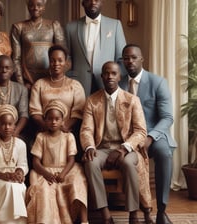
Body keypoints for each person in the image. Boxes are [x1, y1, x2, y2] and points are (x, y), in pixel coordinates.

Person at [80, 61, 148, 224]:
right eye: (106, 73)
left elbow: (141, 131)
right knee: (90, 162)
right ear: (102, 76)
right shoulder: (92, 100)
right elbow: (86, 130)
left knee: (129, 164)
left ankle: (133, 214)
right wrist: (89, 146)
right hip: (101, 148)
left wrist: (124, 149)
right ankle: (105, 214)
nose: (110, 76)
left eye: (113, 73)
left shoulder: (132, 100)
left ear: (119, 77)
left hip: (127, 149)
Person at [120, 44, 177, 224]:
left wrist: (150, 137)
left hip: (153, 135)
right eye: (126, 58)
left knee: (164, 153)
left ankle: (162, 209)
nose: (130, 61)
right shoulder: (117, 82)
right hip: (126, 138)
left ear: (142, 59)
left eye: (134, 57)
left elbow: (167, 117)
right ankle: (137, 211)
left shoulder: (157, 82)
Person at [26, 99, 88, 224]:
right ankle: (47, 220)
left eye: (57, 119)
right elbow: (36, 162)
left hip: (66, 169)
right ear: (45, 120)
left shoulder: (68, 137)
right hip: (45, 170)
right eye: (50, 119)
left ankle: (84, 220)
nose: (53, 122)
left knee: (78, 181)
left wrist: (63, 174)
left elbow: (71, 160)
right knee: (43, 189)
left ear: (62, 120)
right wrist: (46, 174)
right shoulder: (41, 137)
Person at [65, 0, 126, 96]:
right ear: (83, 3)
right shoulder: (70, 27)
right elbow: (67, 57)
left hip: (107, 82)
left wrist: (116, 79)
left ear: (102, 2)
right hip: (79, 83)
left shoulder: (115, 25)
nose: (93, 2)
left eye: (97, 0)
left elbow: (121, 58)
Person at [0, 104, 28, 224]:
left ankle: (19, 221)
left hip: (15, 178)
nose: (7, 127)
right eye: (3, 124)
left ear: (14, 126)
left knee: (18, 186)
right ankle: (4, 221)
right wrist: (5, 176)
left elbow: (23, 164)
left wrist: (19, 172)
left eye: (10, 124)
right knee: (9, 186)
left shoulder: (20, 144)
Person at [29, 44, 85, 133]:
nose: (56, 64)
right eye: (52, 60)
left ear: (66, 62)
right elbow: (35, 112)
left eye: (60, 60)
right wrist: (48, 127)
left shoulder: (75, 85)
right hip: (44, 131)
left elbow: (78, 112)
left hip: (67, 131)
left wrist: (64, 127)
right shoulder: (39, 84)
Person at [10, 0, 66, 88]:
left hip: (50, 79)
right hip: (27, 80)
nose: (35, 8)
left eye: (39, 5)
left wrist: (57, 80)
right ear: (28, 6)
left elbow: (63, 56)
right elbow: (16, 59)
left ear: (44, 7)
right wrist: (21, 84)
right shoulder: (18, 27)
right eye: (32, 5)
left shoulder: (54, 25)